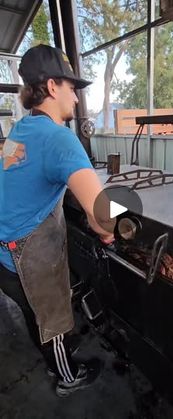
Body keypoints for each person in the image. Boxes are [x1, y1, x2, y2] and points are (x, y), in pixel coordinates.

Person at [0, 44, 115, 397]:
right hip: (27, 260)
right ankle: (68, 377)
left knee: (37, 315)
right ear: (52, 87)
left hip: (5, 258)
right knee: (52, 322)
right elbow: (100, 219)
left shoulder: (17, 132)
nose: (77, 99)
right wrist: (120, 218)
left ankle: (59, 349)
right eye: (72, 89)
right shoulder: (60, 139)